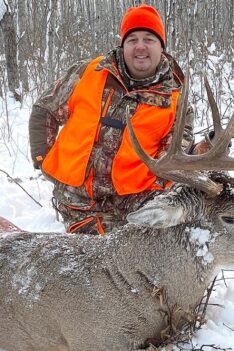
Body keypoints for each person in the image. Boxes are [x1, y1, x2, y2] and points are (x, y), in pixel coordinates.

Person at [29, 4, 194, 235]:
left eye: (149, 39)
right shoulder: (88, 73)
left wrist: (157, 193)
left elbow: (173, 159)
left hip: (133, 206)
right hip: (77, 202)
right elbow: (44, 109)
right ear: (123, 45)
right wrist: (43, 158)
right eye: (132, 39)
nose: (140, 47)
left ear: (162, 47)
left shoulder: (177, 100)